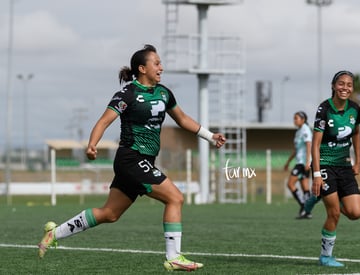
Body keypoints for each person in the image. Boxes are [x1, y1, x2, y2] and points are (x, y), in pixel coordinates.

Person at [37, 44, 226, 272]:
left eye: (160, 63)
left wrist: (210, 136)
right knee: (175, 198)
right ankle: (174, 257)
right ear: (142, 68)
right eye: (156, 63)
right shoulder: (127, 94)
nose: (161, 68)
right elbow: (105, 120)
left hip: (142, 162)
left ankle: (54, 233)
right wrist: (92, 145)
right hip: (131, 159)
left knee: (110, 214)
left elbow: (182, 119)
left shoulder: (164, 93)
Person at [311, 70, 360, 267]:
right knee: (334, 214)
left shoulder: (355, 109)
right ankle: (325, 257)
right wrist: (316, 175)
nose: (345, 88)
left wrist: (358, 161)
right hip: (324, 164)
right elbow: (315, 145)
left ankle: (326, 198)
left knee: (355, 213)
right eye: (341, 84)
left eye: (349, 85)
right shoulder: (324, 109)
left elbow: (356, 133)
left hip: (344, 166)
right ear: (334, 86)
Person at [284, 111, 312, 219]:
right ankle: (307, 211)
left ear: (303, 119)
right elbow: (296, 150)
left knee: (290, 184)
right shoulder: (298, 131)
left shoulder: (305, 130)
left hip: (303, 163)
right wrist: (288, 162)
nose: (294, 120)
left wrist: (308, 161)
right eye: (294, 118)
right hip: (300, 162)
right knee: (305, 187)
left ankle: (304, 206)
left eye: (296, 118)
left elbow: (309, 145)